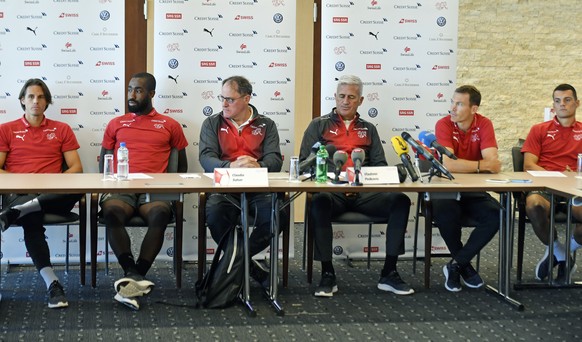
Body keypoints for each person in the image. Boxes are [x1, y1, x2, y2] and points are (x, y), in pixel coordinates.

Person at [299, 75, 414, 297]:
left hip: (364, 194)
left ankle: (389, 272)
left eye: (351, 97)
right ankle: (327, 273)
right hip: (333, 193)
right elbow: (306, 162)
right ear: (334, 97)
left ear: (360, 101)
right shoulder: (318, 125)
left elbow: (380, 165)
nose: (345, 101)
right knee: (319, 201)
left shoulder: (369, 129)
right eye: (341, 96)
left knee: (400, 200)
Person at [100, 72, 188, 310]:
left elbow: (181, 165)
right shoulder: (116, 123)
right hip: (122, 186)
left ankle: (137, 274)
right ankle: (132, 272)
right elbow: (105, 159)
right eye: (130, 89)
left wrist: (170, 186)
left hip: (154, 188)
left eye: (138, 90)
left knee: (160, 213)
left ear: (151, 94)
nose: (132, 94)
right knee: (111, 211)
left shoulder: (170, 125)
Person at [0, 78, 84, 309]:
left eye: (41, 97)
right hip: (20, 192)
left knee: (81, 185)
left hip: (53, 193)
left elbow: (76, 167)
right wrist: (23, 181)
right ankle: (52, 282)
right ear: (22, 101)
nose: (36, 101)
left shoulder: (62, 129)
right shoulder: (6, 129)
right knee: (32, 216)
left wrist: (54, 183)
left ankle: (16, 212)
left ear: (47, 102)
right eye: (31, 97)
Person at [199, 75, 284, 289]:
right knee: (215, 211)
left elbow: (274, 159)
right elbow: (206, 157)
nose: (223, 104)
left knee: (277, 213)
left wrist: (258, 166)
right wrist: (230, 167)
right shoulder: (212, 123)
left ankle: (236, 260)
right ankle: (252, 268)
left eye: (230, 99)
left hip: (257, 188)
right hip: (225, 188)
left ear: (246, 98)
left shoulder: (266, 124)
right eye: (222, 98)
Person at [433, 85, 501, 292]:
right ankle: (465, 266)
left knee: (497, 215)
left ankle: (456, 264)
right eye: (452, 102)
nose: (452, 108)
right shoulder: (444, 124)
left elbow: (494, 162)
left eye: (459, 104)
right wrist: (480, 166)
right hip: (445, 190)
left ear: (474, 109)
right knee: (445, 211)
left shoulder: (484, 124)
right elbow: (450, 165)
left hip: (473, 190)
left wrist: (478, 166)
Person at [522, 83, 582, 284]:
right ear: (553, 106)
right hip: (546, 184)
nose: (562, 105)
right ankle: (560, 253)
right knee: (534, 205)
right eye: (557, 101)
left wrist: (573, 175)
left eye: (567, 100)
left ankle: (562, 252)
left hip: (576, 187)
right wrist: (557, 174)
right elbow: (529, 165)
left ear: (577, 103)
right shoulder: (539, 130)